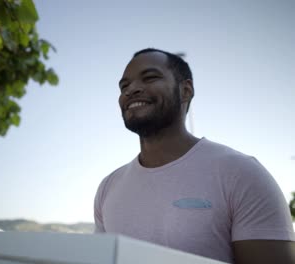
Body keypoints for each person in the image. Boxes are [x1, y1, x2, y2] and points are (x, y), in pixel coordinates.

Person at [94, 48, 295, 264]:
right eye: (124, 85)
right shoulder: (108, 187)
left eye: (150, 78)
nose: (131, 90)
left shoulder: (242, 173)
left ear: (186, 90)